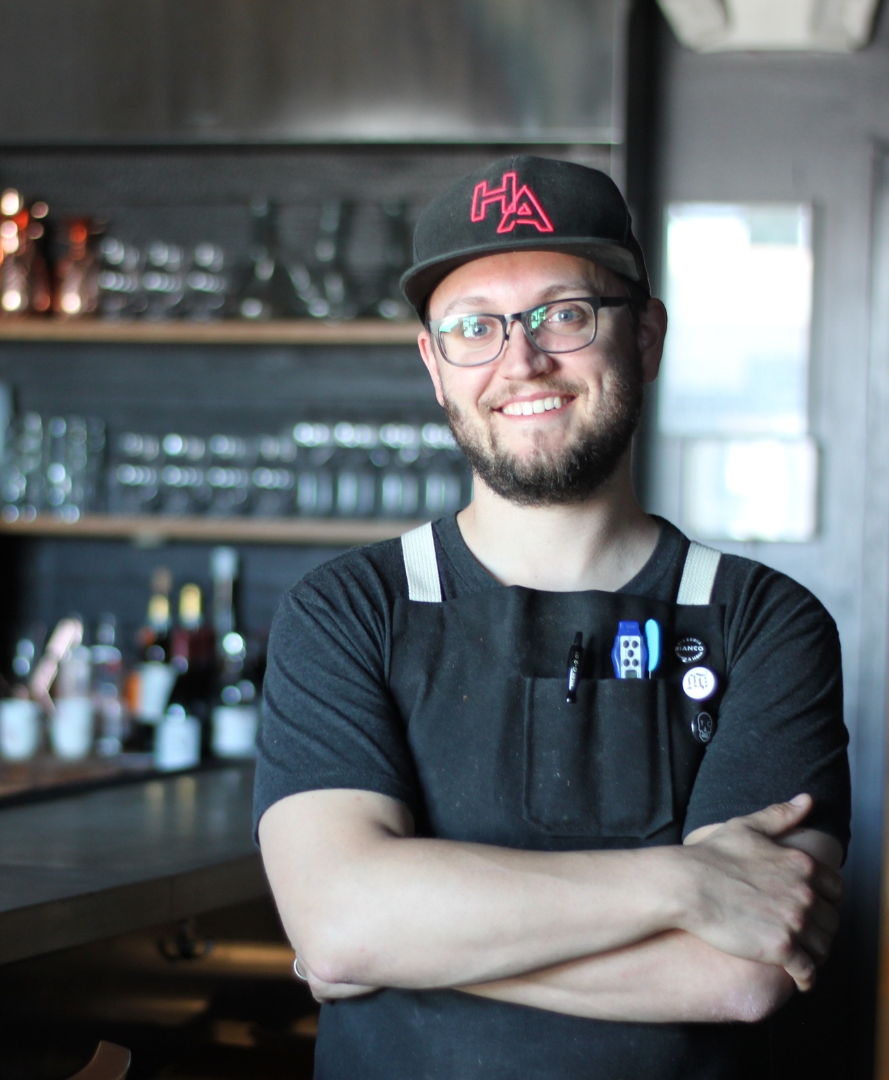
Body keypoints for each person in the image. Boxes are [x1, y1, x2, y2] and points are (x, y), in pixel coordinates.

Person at [253, 155, 851, 1080]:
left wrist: (400, 940)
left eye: (562, 315)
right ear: (434, 367)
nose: (519, 361)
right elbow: (340, 924)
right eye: (473, 328)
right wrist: (684, 884)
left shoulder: (765, 624)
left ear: (645, 337)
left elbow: (742, 971)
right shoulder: (347, 612)